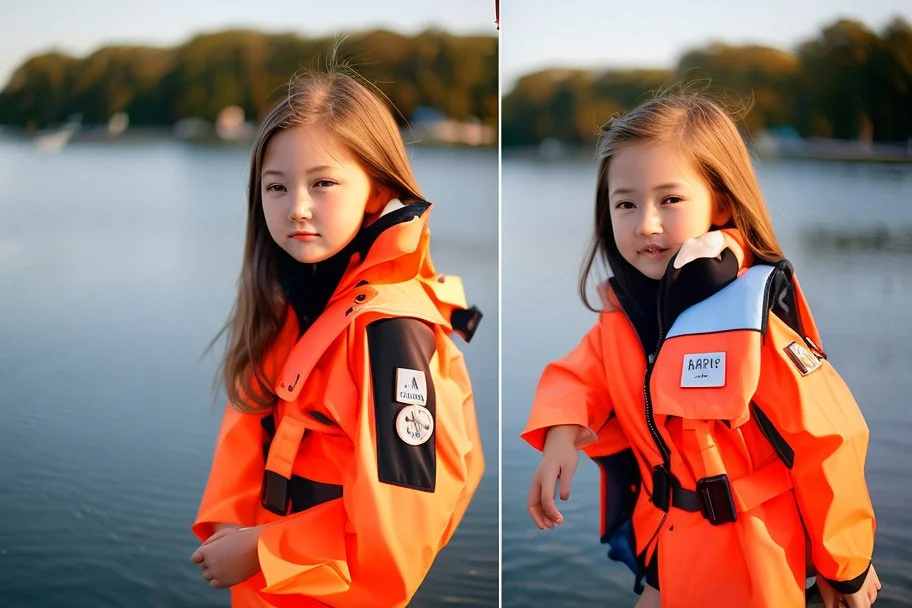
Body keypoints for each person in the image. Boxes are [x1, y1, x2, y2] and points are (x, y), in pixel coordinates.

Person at [522, 92, 881, 608]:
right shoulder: (625, 316)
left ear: (721, 203)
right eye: (626, 203)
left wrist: (846, 566)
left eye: (669, 200)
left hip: (756, 559)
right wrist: (560, 432)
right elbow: (578, 375)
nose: (646, 223)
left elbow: (828, 437)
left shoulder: (750, 316)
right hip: (671, 547)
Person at [189, 69, 485, 607]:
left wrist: (263, 550)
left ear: (377, 189)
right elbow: (249, 428)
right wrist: (230, 527)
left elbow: (403, 528)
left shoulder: (391, 336)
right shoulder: (287, 303)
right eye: (276, 186)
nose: (296, 207)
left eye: (322, 183)